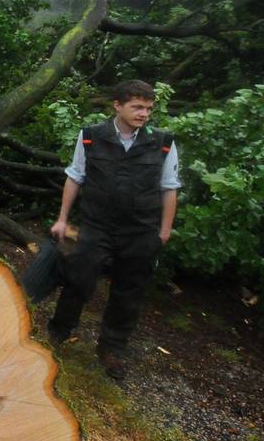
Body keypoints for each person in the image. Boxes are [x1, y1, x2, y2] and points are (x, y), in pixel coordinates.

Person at [46, 80, 181, 380]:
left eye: (148, 108)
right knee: (78, 278)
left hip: (141, 230)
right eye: (137, 107)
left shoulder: (163, 143)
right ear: (117, 105)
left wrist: (164, 231)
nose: (144, 113)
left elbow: (169, 188)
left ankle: (112, 349)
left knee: (129, 291)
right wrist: (63, 219)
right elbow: (75, 176)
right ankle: (58, 331)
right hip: (96, 225)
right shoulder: (91, 137)